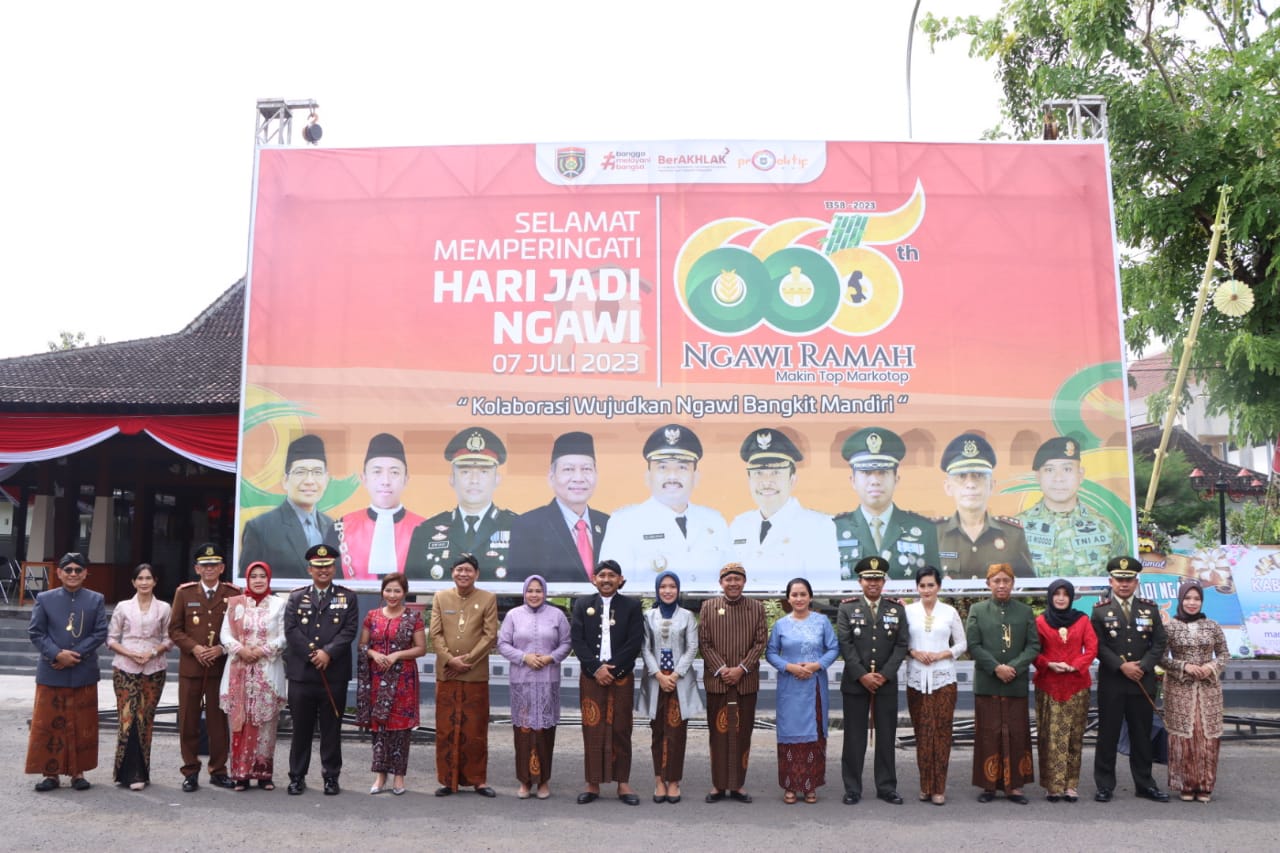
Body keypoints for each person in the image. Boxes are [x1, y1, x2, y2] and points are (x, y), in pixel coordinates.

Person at [600, 423, 730, 589]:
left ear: (696, 476)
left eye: (682, 467)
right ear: (648, 476)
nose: (672, 476)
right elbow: (613, 588)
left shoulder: (715, 521)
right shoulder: (624, 522)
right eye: (662, 467)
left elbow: (732, 580)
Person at [27, 552, 109, 792]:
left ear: (85, 573)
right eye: (68, 570)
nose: (73, 574)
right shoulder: (45, 598)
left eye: (78, 570)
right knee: (49, 725)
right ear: (59, 573)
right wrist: (57, 654)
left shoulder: (95, 599)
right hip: (52, 671)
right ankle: (50, 774)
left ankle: (78, 773)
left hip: (83, 671)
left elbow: (100, 632)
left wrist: (74, 655)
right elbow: (36, 632)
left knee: (81, 724)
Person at [1092, 555, 1169, 803]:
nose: (1124, 584)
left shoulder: (1150, 608)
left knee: (1141, 735)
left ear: (1136, 582)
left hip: (1142, 682)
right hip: (1113, 682)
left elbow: (1159, 643)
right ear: (1111, 581)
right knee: (1108, 735)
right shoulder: (1100, 611)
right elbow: (1097, 646)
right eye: (1119, 580)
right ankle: (1105, 785)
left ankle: (1145, 784)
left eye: (1128, 580)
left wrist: (1143, 666)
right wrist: (1121, 666)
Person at [284, 543, 359, 796]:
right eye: (318, 566)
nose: (323, 570)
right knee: (301, 730)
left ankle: (331, 777)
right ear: (310, 569)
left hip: (333, 674)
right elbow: (291, 630)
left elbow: (349, 630)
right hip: (302, 675)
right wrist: (312, 653)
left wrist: (328, 652)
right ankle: (297, 777)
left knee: (331, 729)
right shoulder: (296, 597)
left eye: (327, 566)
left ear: (334, 568)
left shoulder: (348, 597)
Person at [570, 559, 645, 806]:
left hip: (620, 676)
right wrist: (596, 668)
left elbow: (635, 641)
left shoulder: (632, 606)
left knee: (621, 729)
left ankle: (623, 783)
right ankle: (592, 783)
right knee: (592, 729)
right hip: (591, 677)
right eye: (601, 575)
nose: (606, 579)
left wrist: (613, 669)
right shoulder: (582, 604)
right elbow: (577, 640)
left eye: (612, 575)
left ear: (620, 580)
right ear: (594, 579)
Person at [728, 427, 840, 591]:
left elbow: (825, 592)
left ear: (792, 479)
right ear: (749, 480)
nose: (766, 482)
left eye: (775, 472)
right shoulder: (739, 525)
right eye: (758, 473)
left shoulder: (818, 526)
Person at [836, 556, 909, 805]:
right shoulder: (847, 608)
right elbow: (845, 645)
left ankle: (886, 787)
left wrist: (885, 675)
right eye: (868, 579)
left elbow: (901, 645)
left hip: (886, 683)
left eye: (878, 579)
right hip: (856, 683)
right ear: (860, 581)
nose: (873, 583)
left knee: (886, 737)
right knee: (854, 738)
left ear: (884, 582)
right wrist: (863, 675)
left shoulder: (896, 609)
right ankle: (852, 788)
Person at [169, 542, 240, 792]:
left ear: (222, 568)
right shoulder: (184, 593)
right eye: (205, 565)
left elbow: (239, 630)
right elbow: (175, 629)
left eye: (214, 565)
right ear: (197, 568)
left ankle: (218, 770)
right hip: (192, 668)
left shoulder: (233, 594)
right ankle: (190, 771)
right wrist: (195, 648)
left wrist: (221, 648)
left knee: (217, 723)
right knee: (188, 721)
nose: (209, 569)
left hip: (219, 669)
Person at [966, 562, 1039, 804]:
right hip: (988, 682)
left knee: (1017, 734)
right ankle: (989, 786)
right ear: (988, 584)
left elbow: (1033, 646)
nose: (1001, 585)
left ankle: (1015, 787)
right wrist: (996, 668)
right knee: (989, 734)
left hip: (1015, 683)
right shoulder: (977, 610)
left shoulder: (1025, 611)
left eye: (1006, 581)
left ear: (1013, 583)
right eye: (996, 581)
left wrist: (1014, 667)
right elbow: (973, 645)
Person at [406, 426, 517, 583]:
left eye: (484, 472)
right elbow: (412, 590)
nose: (474, 480)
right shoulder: (426, 531)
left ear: (497, 479)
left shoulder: (517, 528)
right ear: (452, 479)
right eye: (465, 471)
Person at [429, 553, 499, 797]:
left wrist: (466, 662)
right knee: (445, 729)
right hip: (447, 673)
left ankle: (478, 780)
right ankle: (448, 780)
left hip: (474, 674)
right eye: (459, 569)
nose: (463, 574)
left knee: (475, 730)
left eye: (469, 570)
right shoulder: (440, 597)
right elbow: (435, 634)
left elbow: (490, 635)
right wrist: (450, 660)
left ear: (476, 574)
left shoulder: (488, 598)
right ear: (452, 573)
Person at [497, 574, 572, 799]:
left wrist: (550, 658)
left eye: (538, 590)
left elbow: (567, 643)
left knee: (544, 732)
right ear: (524, 592)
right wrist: (524, 657)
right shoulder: (513, 615)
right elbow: (503, 644)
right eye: (530, 590)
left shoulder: (557, 615)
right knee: (523, 731)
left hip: (548, 682)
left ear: (545, 593)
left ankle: (543, 781)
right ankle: (524, 780)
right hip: (522, 682)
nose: (534, 595)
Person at [698, 562, 767, 804]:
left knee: (743, 734)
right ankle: (718, 785)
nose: (733, 583)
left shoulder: (756, 608)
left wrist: (741, 669)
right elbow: (704, 643)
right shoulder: (708, 607)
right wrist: (722, 669)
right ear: (721, 583)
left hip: (745, 681)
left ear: (744, 582)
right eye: (728, 579)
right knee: (717, 735)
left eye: (738, 579)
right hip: (718, 682)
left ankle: (737, 784)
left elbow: (760, 642)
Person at [833, 427, 940, 581]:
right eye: (866, 473)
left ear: (896, 480)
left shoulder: (924, 530)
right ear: (853, 481)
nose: (875, 481)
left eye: (883, 472)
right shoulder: (834, 530)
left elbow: (933, 586)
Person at [766, 577, 839, 804]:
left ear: (810, 597)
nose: (799, 599)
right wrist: (790, 667)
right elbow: (771, 653)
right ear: (788, 599)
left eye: (803, 594)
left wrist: (816, 665)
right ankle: (790, 785)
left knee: (814, 737)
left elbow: (833, 648)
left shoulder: (822, 622)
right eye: (794, 595)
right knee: (790, 736)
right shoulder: (781, 625)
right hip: (790, 688)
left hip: (814, 688)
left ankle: (810, 786)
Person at [219, 560, 287, 791]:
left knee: (266, 722)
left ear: (269, 579)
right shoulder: (236, 603)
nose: (258, 580)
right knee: (240, 721)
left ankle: (264, 774)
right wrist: (241, 650)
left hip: (267, 671)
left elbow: (285, 636)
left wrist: (262, 650)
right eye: (254, 576)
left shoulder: (279, 604)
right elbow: (225, 634)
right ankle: (240, 775)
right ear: (247, 579)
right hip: (239, 670)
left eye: (262, 576)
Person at [356, 572, 427, 795]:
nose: (392, 595)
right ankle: (380, 775)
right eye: (388, 590)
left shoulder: (413, 618)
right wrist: (374, 654)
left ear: (404, 593)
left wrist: (397, 655)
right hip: (377, 678)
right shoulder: (372, 616)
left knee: (401, 729)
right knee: (379, 726)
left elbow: (421, 649)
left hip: (403, 680)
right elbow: (362, 645)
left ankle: (398, 777)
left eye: (397, 591)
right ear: (382, 591)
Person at [508, 431, 610, 584]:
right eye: (568, 469)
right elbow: (519, 585)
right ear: (551, 477)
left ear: (596, 475)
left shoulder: (609, 523)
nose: (579, 478)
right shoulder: (528, 525)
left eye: (586, 469)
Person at [106, 563, 173, 790]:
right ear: (133, 582)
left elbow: (169, 638)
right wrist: (130, 653)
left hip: (154, 669)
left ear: (155, 581)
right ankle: (125, 773)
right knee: (127, 718)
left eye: (148, 578)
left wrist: (152, 653)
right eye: (140, 578)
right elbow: (111, 639)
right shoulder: (123, 607)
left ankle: (141, 773)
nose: (144, 582)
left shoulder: (164, 608)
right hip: (125, 668)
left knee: (145, 718)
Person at [903, 565, 966, 805]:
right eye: (922, 585)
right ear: (917, 587)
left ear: (938, 586)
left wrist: (942, 654)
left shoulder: (949, 612)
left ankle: (939, 787)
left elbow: (962, 644)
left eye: (931, 585)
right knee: (922, 733)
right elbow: (902, 642)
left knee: (941, 733)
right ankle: (925, 786)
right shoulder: (908, 611)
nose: (926, 589)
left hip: (944, 680)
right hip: (916, 680)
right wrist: (914, 652)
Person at [1017, 437, 1124, 577]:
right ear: (1038, 477)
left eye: (1067, 469)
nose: (1058, 478)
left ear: (1080, 475)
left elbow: (1121, 582)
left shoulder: (1106, 529)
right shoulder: (1016, 530)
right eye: (1049, 470)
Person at [638, 570, 702, 804]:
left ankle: (674, 781)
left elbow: (692, 647)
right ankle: (658, 780)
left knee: (677, 733)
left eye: (672, 586)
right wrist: (658, 674)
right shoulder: (648, 616)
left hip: (679, 680)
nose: (667, 591)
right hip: (655, 680)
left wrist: (674, 675)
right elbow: (645, 648)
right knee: (658, 732)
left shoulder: (687, 616)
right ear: (657, 590)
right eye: (663, 586)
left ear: (678, 590)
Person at [239, 434, 339, 579]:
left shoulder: (332, 527)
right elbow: (248, 580)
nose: (309, 481)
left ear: (326, 479)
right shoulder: (260, 528)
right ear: (285, 480)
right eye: (300, 472)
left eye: (317, 472)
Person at [935, 433, 1033, 580]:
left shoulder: (1013, 534)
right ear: (948, 487)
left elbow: (1030, 588)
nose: (970, 484)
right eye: (961, 476)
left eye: (979, 476)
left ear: (991, 485)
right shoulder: (933, 534)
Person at [1033, 578, 1097, 803]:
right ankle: (1052, 786)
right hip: (1049, 686)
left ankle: (1070, 785)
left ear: (1071, 597)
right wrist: (1048, 664)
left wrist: (1075, 665)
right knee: (1049, 736)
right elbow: (1033, 651)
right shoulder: (1040, 621)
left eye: (1065, 594)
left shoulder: (1082, 620)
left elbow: (1092, 648)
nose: (1061, 598)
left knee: (1074, 736)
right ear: (1050, 597)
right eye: (1056, 594)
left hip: (1076, 685)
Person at [1164, 580, 1228, 803]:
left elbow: (1224, 654)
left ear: (1202, 601)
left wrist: (1210, 667)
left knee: (1207, 736)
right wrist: (1184, 666)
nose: (1192, 603)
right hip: (1179, 689)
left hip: (1208, 689)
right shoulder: (1170, 627)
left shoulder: (1212, 626)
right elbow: (1160, 657)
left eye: (1197, 599)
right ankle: (1186, 784)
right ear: (1180, 600)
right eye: (1188, 598)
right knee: (1185, 737)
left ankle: (1205, 785)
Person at [337, 434, 427, 581]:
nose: (385, 481)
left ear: (406, 479)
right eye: (377, 472)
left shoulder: (425, 529)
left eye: (394, 473)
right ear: (364, 478)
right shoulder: (341, 528)